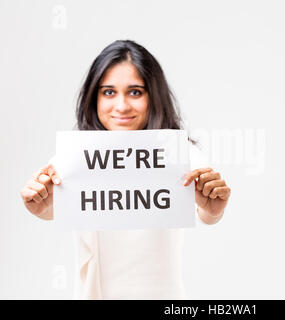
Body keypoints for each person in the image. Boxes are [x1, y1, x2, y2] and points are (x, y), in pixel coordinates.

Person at [19, 40, 231, 299]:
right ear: (93, 97)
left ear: (153, 96)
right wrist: (40, 207)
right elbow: (53, 206)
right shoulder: (74, 156)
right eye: (108, 92)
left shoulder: (180, 154)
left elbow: (204, 209)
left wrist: (213, 210)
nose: (121, 106)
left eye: (135, 92)